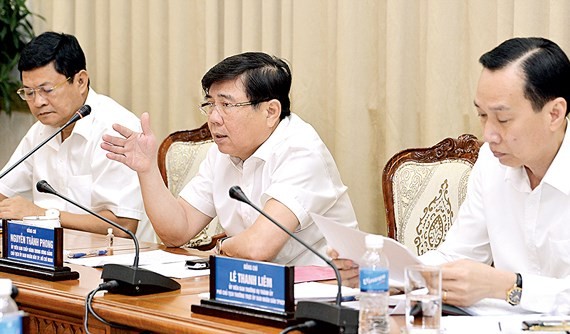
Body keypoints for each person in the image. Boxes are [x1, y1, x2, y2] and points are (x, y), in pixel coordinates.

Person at [332, 37, 570, 314]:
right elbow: (457, 255)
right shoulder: (491, 164)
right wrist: (388, 275)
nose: (489, 135)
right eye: (482, 116)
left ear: (555, 113)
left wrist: (509, 286)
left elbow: (506, 286)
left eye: (503, 119)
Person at [101, 52, 358, 265]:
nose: (213, 117)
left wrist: (221, 247)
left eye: (227, 105)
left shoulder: (302, 151)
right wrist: (147, 170)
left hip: (322, 292)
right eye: (211, 104)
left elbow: (259, 247)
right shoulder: (223, 153)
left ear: (271, 111)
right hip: (254, 287)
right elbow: (176, 231)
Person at [0, 32, 152, 241]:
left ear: (81, 81)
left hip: (118, 263)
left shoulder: (116, 129)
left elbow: (121, 226)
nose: (38, 102)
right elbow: (3, 190)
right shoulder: (41, 131)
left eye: (47, 90)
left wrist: (42, 215)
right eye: (29, 92)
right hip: (55, 259)